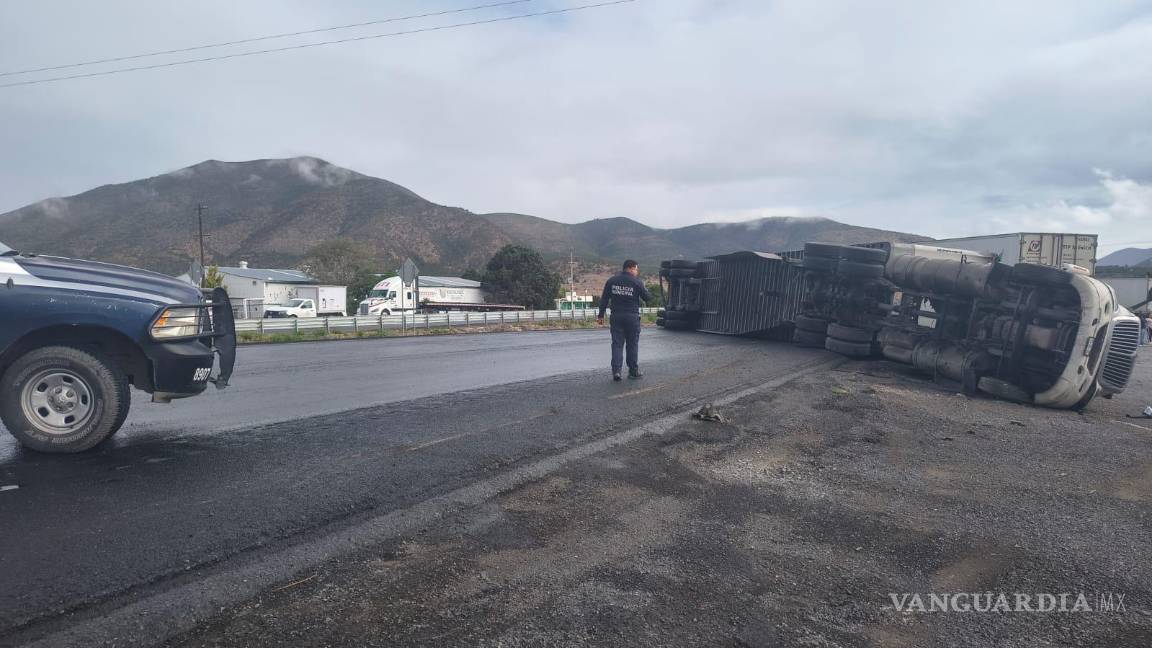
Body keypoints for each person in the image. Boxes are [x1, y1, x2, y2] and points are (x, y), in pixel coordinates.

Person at [597, 260, 652, 381]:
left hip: (616, 316)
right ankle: (633, 371)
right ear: (631, 268)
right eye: (636, 269)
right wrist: (647, 290)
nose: (637, 272)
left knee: (617, 344)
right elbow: (647, 298)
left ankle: (616, 372)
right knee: (632, 344)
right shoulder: (637, 282)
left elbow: (604, 299)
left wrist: (600, 316)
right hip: (632, 317)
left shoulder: (612, 281)